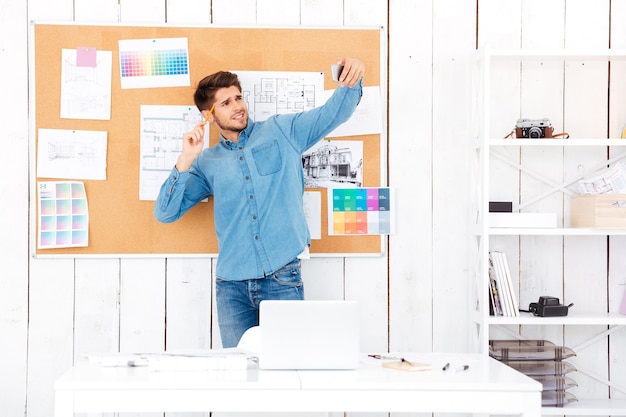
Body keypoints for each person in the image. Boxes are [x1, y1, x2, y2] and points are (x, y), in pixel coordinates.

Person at [154, 57, 365, 348]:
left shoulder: (282, 131)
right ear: (208, 116)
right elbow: (165, 213)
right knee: (240, 380)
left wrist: (351, 80)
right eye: (226, 102)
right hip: (231, 287)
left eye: (238, 97)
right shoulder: (206, 163)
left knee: (288, 368)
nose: (238, 106)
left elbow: (333, 113)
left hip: (282, 277)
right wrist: (185, 160)